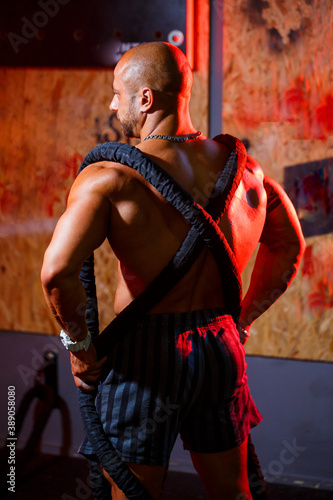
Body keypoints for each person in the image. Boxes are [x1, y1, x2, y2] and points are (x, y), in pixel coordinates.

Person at [41, 42, 306, 500]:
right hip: (219, 346)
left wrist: (81, 349)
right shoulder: (247, 174)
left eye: (116, 93)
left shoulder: (111, 177)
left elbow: (57, 272)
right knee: (233, 491)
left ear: (145, 99)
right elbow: (290, 245)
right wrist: (240, 321)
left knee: (134, 492)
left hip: (146, 354)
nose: (111, 104)